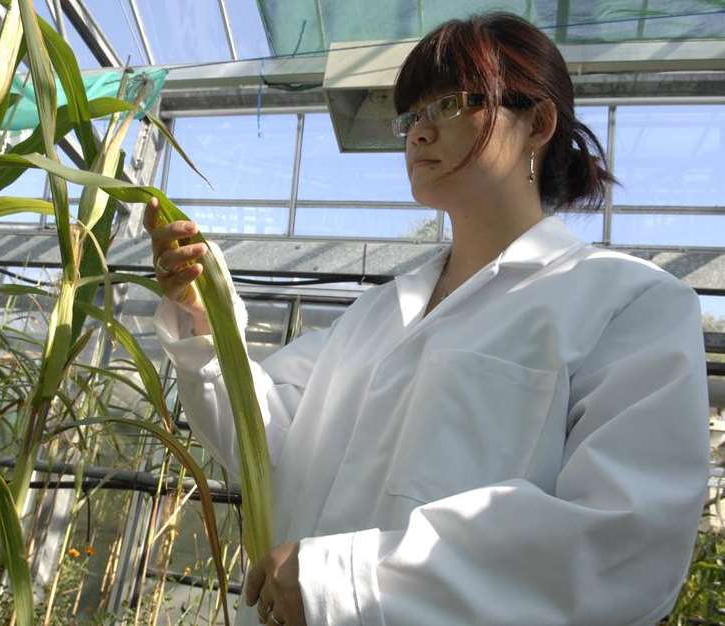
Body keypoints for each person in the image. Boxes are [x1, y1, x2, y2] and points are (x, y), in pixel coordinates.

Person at [142, 12, 710, 626]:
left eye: (448, 105)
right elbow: (258, 433)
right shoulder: (375, 316)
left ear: (538, 123)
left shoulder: (625, 305)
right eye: (411, 115)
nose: (418, 132)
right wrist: (204, 321)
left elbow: (624, 543)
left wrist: (349, 581)